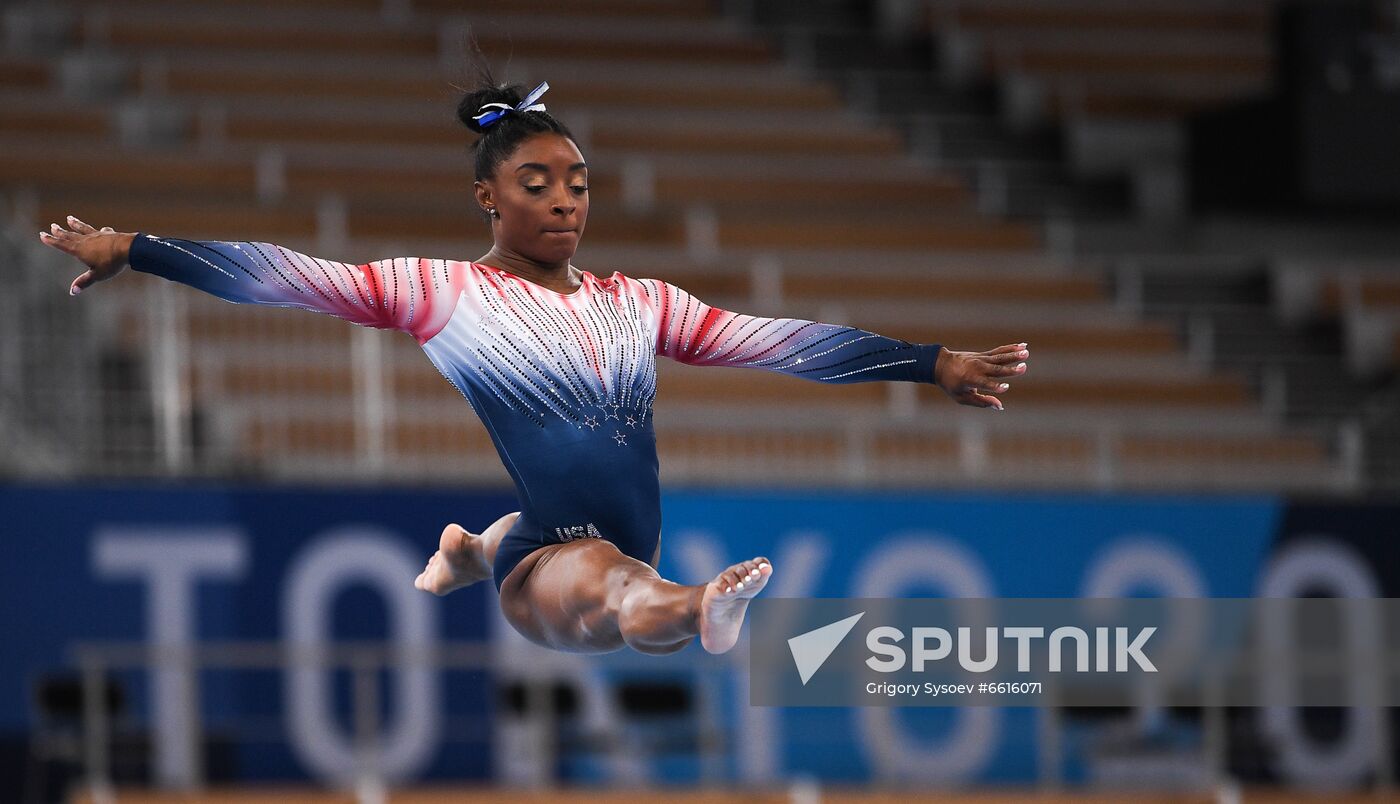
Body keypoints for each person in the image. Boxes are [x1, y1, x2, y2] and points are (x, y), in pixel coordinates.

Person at [39, 77, 1030, 656]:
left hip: (583, 532)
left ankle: (466, 548)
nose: (564, 202)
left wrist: (928, 362)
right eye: (537, 183)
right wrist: (138, 248)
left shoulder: (639, 304)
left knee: (597, 563)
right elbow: (286, 276)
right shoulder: (441, 293)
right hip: (552, 566)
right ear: (488, 197)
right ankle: (696, 604)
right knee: (616, 584)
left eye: (578, 185)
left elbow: (782, 343)